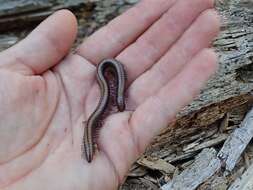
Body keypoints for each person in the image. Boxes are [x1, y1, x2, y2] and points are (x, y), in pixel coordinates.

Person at [0, 0, 220, 189]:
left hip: (109, 70)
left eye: (89, 152)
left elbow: (107, 109)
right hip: (108, 73)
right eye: (90, 152)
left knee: (104, 106)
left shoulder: (105, 102)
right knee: (102, 109)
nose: (90, 153)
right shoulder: (92, 131)